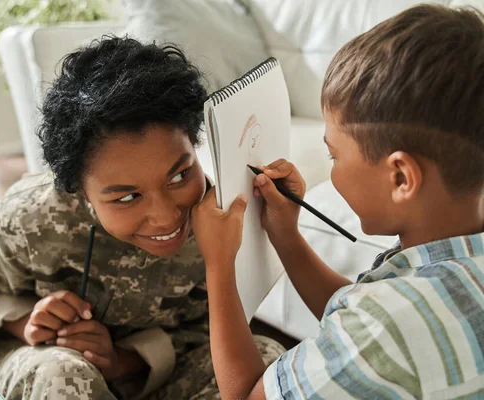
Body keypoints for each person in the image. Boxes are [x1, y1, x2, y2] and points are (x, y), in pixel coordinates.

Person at [0, 36, 284, 400]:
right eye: (127, 197)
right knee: (62, 375)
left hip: (160, 377)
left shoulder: (220, 222)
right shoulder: (26, 218)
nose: (166, 218)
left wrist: (120, 361)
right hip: (56, 376)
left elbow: (207, 331)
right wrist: (33, 325)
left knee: (268, 362)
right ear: (79, 190)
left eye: (179, 175)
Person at [191, 4, 484, 399]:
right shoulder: (445, 268)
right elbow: (355, 308)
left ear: (400, 178)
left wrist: (219, 265)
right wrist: (286, 236)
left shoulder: (383, 329)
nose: (332, 169)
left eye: (335, 156)